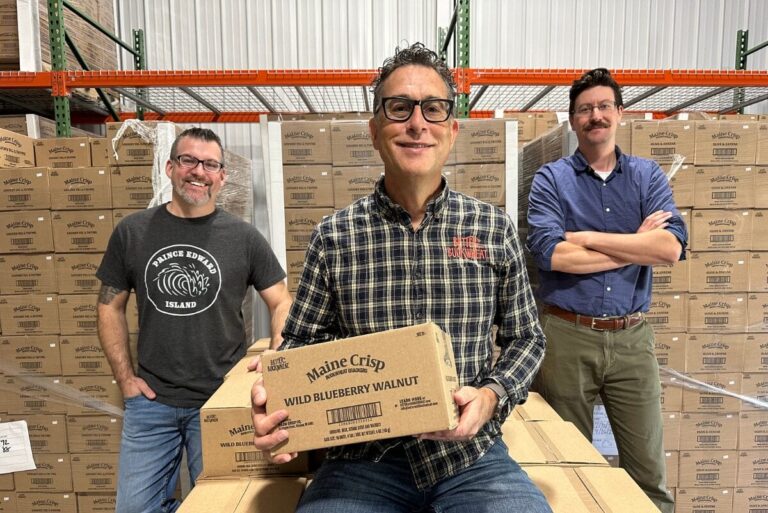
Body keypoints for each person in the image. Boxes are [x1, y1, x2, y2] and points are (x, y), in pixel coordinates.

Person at [251, 43, 552, 513]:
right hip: (362, 460)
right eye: (399, 108)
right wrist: (280, 403)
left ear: (451, 131)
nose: (417, 123)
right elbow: (299, 344)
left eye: (433, 109)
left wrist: (492, 397)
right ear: (374, 131)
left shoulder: (492, 228)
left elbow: (527, 338)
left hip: (469, 457)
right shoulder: (334, 237)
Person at [96, 127, 292, 513]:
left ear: (221, 176)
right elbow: (108, 306)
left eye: (210, 164)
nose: (198, 171)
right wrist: (125, 379)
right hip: (152, 403)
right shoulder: (132, 232)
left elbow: (282, 300)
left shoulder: (244, 237)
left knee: (221, 507)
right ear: (170, 167)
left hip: (221, 399)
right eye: (188, 160)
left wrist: (276, 361)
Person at [526, 68, 686, 513]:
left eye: (602, 106)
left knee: (648, 474)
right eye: (584, 109)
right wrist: (637, 243)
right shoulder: (551, 179)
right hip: (567, 336)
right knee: (565, 467)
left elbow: (670, 248)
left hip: (632, 339)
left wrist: (585, 236)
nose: (594, 116)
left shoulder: (647, 176)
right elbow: (552, 255)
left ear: (619, 112)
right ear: (573, 119)